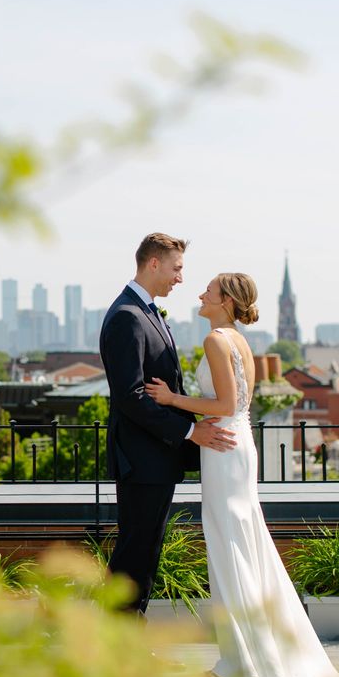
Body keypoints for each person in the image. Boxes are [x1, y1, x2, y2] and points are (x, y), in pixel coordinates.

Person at [145, 272, 339, 677]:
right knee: (240, 542)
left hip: (223, 447)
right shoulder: (238, 340)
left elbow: (226, 404)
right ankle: (247, 657)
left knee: (228, 544)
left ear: (227, 301)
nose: (200, 294)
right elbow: (238, 406)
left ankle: (243, 663)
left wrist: (171, 400)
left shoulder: (217, 340)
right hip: (236, 445)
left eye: (209, 291)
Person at [99, 233, 236, 616]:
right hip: (142, 460)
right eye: (176, 268)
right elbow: (130, 397)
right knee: (135, 553)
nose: (180, 278)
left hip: (155, 459)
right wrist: (190, 432)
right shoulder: (128, 316)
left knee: (143, 551)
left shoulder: (144, 311)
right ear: (153, 263)